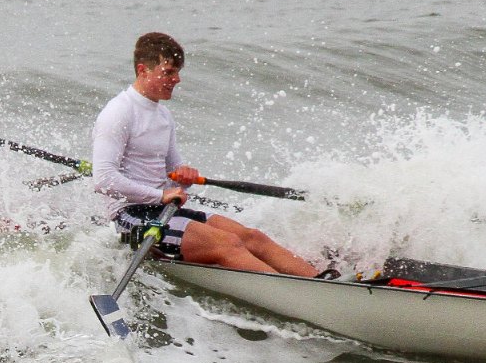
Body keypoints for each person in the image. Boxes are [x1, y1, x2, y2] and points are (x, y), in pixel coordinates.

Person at [91, 32, 318, 276]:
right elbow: (103, 180)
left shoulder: (163, 116)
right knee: (229, 244)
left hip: (164, 209)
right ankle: (297, 296)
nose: (176, 79)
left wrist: (183, 176)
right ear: (143, 70)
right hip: (132, 216)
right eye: (168, 72)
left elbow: (174, 176)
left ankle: (321, 280)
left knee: (252, 237)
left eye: (178, 72)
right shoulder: (118, 112)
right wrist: (160, 195)